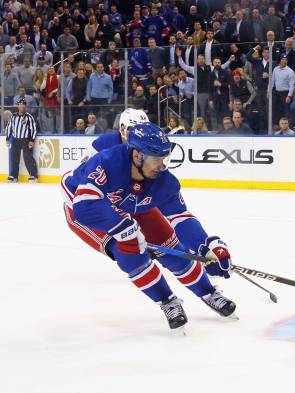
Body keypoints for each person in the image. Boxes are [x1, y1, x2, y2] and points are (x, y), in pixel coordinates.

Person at [60, 122, 237, 329]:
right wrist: (122, 228)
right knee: (130, 255)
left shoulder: (163, 180)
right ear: (137, 156)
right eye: (156, 159)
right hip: (88, 211)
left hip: (130, 203)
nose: (162, 165)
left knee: (171, 247)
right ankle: (167, 300)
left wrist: (206, 245)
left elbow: (181, 217)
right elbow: (84, 206)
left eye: (165, 158)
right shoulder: (107, 163)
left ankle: (208, 292)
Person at [6, 98, 38, 183]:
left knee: (27, 157)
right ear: (18, 106)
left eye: (23, 105)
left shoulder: (29, 117)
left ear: (25, 106)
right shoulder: (13, 116)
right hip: (15, 139)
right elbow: (9, 127)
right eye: (20, 105)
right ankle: (14, 175)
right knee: (14, 158)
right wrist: (8, 138)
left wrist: (31, 140)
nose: (21, 106)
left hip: (25, 139)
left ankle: (33, 175)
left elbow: (33, 129)